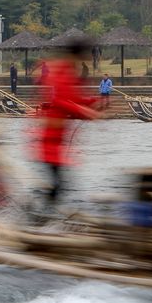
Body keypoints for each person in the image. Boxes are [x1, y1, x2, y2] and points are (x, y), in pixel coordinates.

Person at [35, 41, 102, 207]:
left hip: (58, 140)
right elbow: (59, 100)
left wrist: (94, 102)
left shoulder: (69, 72)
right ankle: (39, 216)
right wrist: (85, 111)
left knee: (61, 184)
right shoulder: (62, 72)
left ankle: (42, 212)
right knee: (60, 184)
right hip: (49, 139)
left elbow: (74, 99)